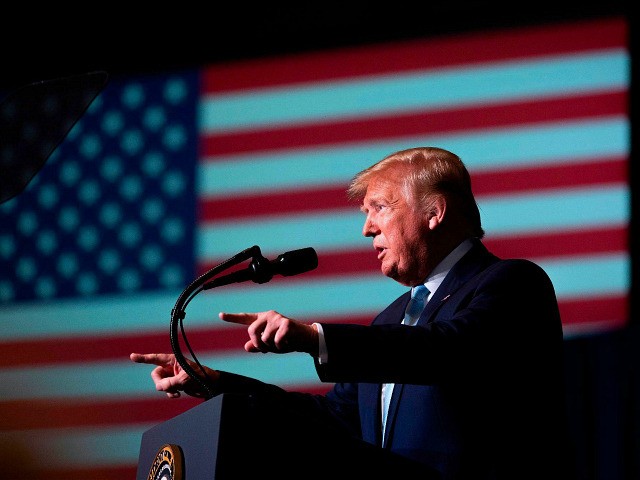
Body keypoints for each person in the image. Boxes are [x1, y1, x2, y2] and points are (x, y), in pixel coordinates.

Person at [131, 146, 572, 480]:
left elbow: (449, 351)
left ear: (435, 212)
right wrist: (217, 385)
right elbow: (332, 421)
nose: (366, 228)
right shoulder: (390, 319)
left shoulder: (512, 283)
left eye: (379, 207)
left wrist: (315, 338)